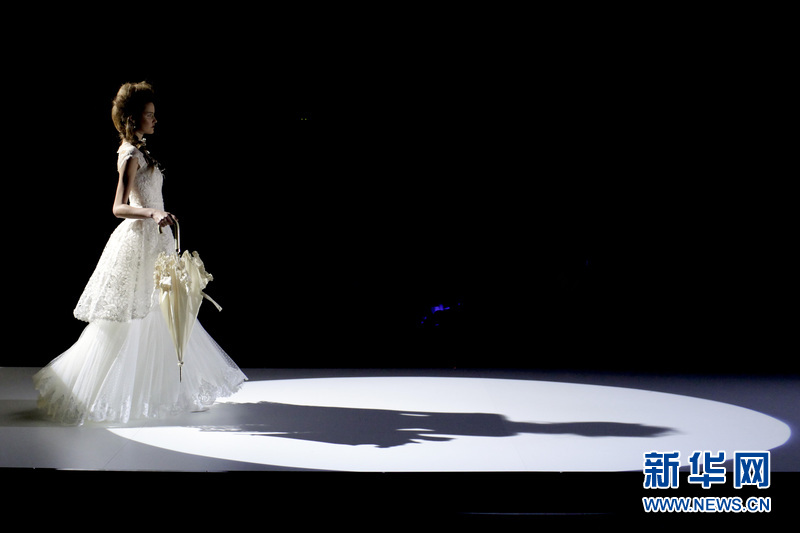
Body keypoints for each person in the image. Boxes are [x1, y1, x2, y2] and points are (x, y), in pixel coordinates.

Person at [33, 81, 247, 424]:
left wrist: (159, 216)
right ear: (133, 119)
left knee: (164, 312)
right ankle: (94, 392)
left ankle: (167, 392)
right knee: (132, 317)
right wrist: (151, 213)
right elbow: (118, 207)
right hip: (139, 241)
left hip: (156, 240)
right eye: (149, 114)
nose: (155, 119)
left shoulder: (142, 152)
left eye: (154, 114)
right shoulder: (130, 155)